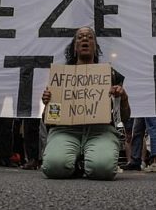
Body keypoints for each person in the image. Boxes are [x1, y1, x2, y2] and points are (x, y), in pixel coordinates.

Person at [41, 26, 130, 180]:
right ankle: (76, 163)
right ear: (75, 47)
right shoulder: (61, 77)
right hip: (66, 131)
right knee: (54, 167)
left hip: (100, 131)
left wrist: (123, 99)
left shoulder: (111, 75)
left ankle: (89, 161)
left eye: (89, 37)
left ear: (95, 47)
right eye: (80, 37)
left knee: (103, 170)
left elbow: (123, 118)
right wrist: (48, 104)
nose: (84, 39)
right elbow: (48, 120)